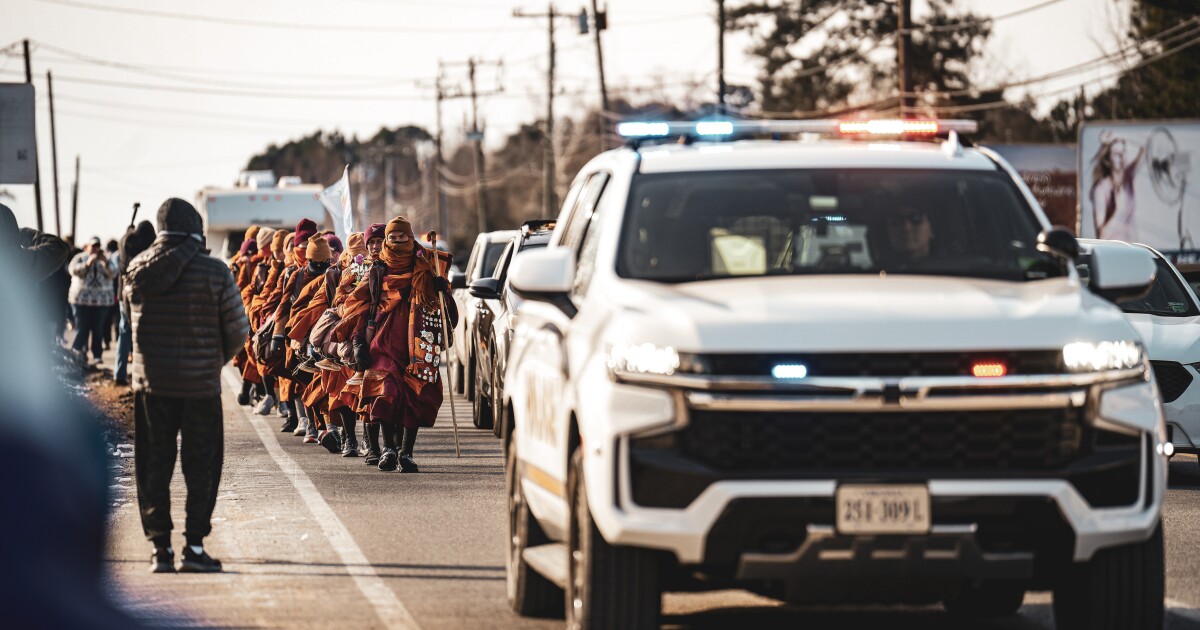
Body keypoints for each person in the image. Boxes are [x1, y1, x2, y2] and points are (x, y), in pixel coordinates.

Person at [124, 198, 249, 573]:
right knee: (202, 467)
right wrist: (212, 362)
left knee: (152, 466)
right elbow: (238, 331)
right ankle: (194, 547)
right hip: (199, 388)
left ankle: (159, 549)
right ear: (194, 227)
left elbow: (129, 331)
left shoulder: (136, 269)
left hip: (151, 387)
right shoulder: (214, 271)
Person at [335, 217, 455, 473]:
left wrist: (442, 290)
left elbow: (449, 317)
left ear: (411, 240)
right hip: (383, 342)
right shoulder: (377, 271)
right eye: (393, 238)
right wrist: (357, 340)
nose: (398, 243)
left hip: (418, 344)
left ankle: (406, 453)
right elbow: (357, 306)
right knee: (384, 393)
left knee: (414, 397)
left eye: (403, 238)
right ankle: (388, 448)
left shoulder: (427, 267)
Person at [114, 221, 156, 386]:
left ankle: (120, 373)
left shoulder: (125, 244)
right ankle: (142, 375)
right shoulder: (145, 248)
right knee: (141, 335)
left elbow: (125, 238)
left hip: (123, 291)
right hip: (140, 294)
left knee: (124, 334)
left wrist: (128, 230)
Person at [68, 237, 117, 363]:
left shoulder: (106, 258)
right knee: (82, 327)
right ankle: (77, 352)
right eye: (93, 246)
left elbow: (114, 273)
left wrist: (105, 263)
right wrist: (87, 264)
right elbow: (72, 270)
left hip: (101, 301)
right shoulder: (80, 257)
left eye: (98, 246)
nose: (95, 248)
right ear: (87, 246)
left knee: (98, 329)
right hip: (81, 300)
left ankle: (97, 355)